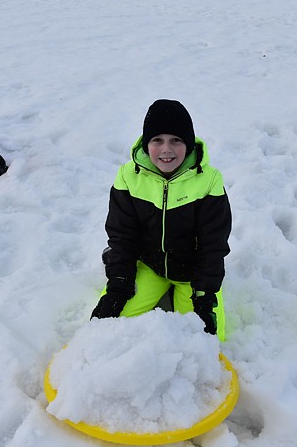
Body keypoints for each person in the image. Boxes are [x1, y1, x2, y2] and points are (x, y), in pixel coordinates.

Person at [91, 99, 232, 340]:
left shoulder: (209, 181)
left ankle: (187, 298)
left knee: (206, 338)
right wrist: (119, 284)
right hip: (149, 266)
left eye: (176, 140)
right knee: (108, 324)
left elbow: (213, 244)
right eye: (157, 140)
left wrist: (204, 296)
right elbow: (122, 236)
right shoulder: (128, 177)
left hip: (192, 275)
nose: (166, 149)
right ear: (146, 145)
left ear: (188, 144)